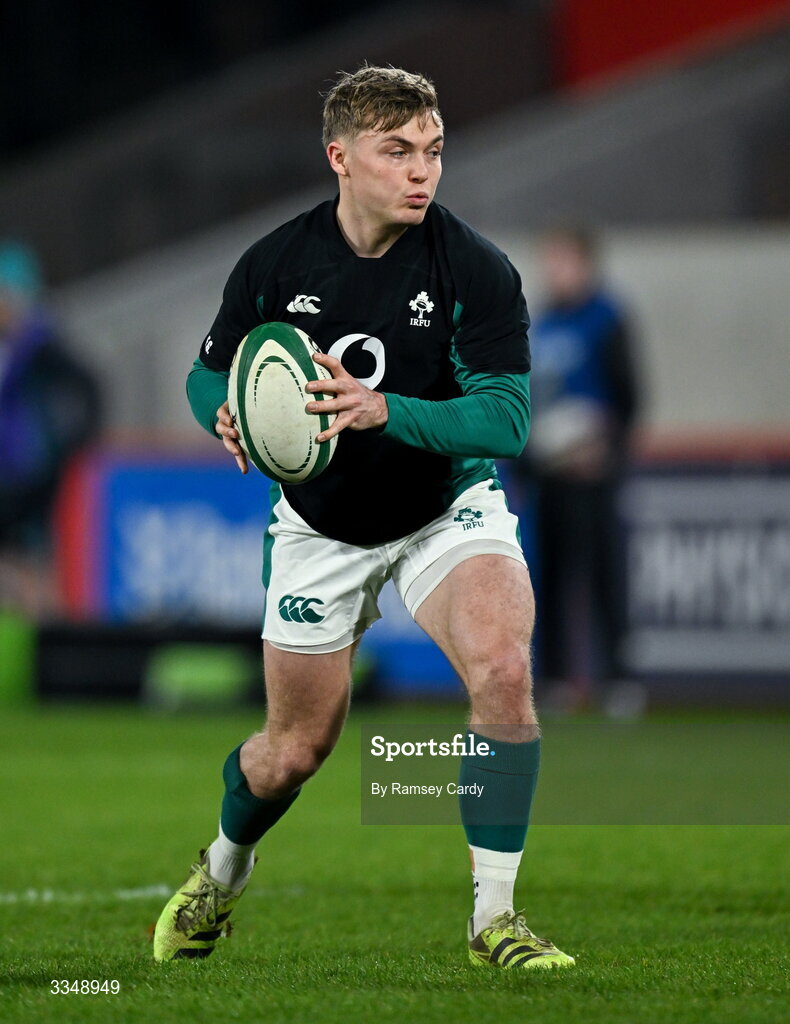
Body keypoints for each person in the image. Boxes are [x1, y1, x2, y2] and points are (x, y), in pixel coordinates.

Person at [154, 65, 574, 970]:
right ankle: (221, 872)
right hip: (320, 528)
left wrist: (385, 410)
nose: (422, 172)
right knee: (291, 754)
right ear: (340, 157)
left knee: (502, 668)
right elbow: (206, 371)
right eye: (397, 152)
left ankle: (493, 922)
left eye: (432, 151)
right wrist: (221, 411)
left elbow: (506, 419)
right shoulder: (275, 263)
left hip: (441, 508)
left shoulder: (474, 268)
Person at [526, 226, 641, 708]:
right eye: (551, 261)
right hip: (549, 474)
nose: (556, 271)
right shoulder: (542, 323)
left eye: (564, 260)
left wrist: (606, 450)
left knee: (603, 576)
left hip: (594, 474)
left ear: (586, 263)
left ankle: (616, 679)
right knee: (548, 578)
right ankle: (553, 681)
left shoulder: (607, 319)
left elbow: (629, 396)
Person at [0, 241, 101, 612]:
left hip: (30, 471)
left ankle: (42, 633)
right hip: (10, 474)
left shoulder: (41, 346)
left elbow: (88, 389)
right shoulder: (12, 347)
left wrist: (72, 443)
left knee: (37, 556)